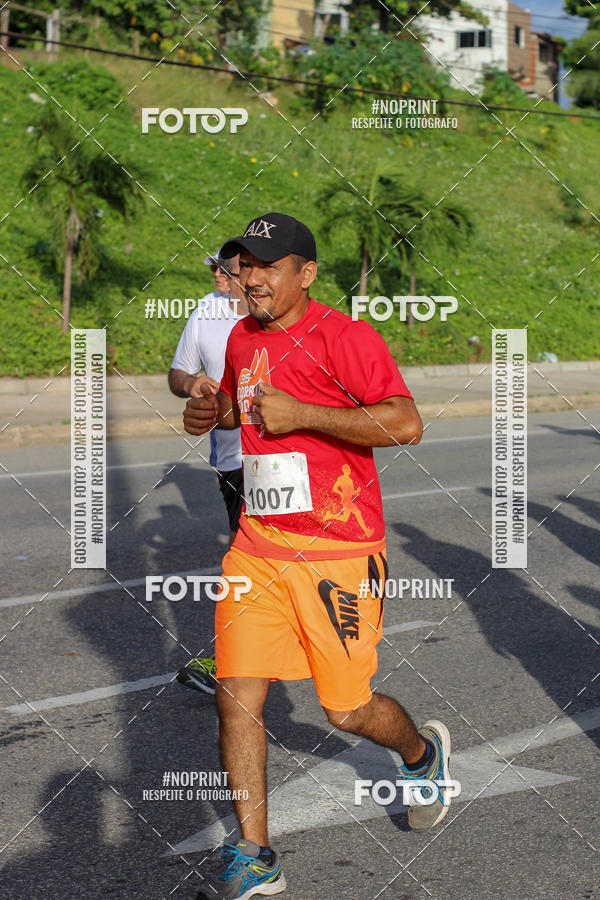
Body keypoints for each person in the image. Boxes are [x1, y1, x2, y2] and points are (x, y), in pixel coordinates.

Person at [183, 212, 453, 900]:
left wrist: (306, 414)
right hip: (258, 547)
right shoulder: (241, 338)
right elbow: (244, 416)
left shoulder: (346, 336)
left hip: (338, 551)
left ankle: (421, 756)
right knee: (237, 697)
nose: (251, 277)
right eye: (243, 264)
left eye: (267, 265)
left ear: (305, 273)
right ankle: (255, 856)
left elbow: (404, 423)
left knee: (346, 710)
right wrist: (208, 412)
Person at [170, 249, 248, 695]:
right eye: (213, 269)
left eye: (225, 269)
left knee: (246, 557)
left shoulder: (271, 316)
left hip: (277, 461)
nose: (217, 275)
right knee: (252, 556)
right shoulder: (206, 309)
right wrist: (192, 384)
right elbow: (178, 372)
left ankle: (232, 662)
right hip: (230, 459)